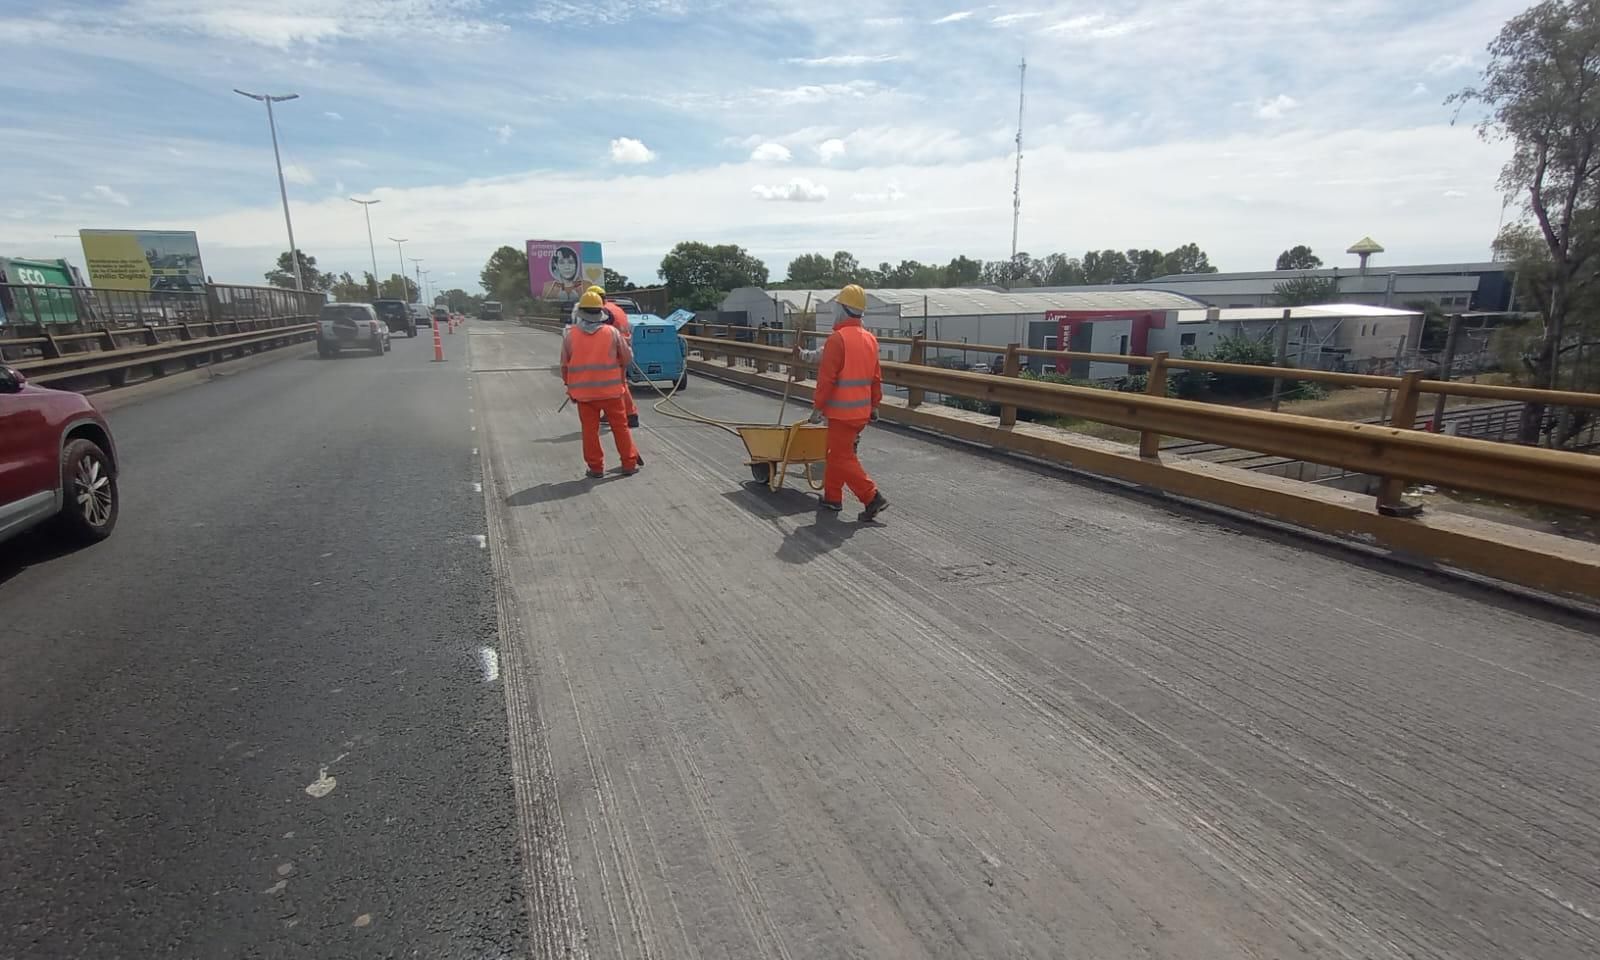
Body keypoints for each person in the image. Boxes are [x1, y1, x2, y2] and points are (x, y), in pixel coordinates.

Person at [795, 284, 888, 520]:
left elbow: (826, 380)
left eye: (837, 306)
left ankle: (871, 497)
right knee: (836, 453)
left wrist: (818, 408)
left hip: (841, 413)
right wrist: (875, 405)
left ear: (843, 309)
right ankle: (832, 498)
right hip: (861, 412)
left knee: (841, 457)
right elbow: (876, 377)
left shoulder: (838, 340)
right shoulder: (870, 339)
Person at [562, 290, 640, 478]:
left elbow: (565, 366)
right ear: (600, 312)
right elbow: (627, 358)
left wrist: (570, 388)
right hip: (612, 393)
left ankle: (596, 468)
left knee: (590, 431)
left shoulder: (570, 336)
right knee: (620, 427)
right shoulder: (612, 332)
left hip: (584, 396)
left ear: (581, 312)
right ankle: (629, 463)